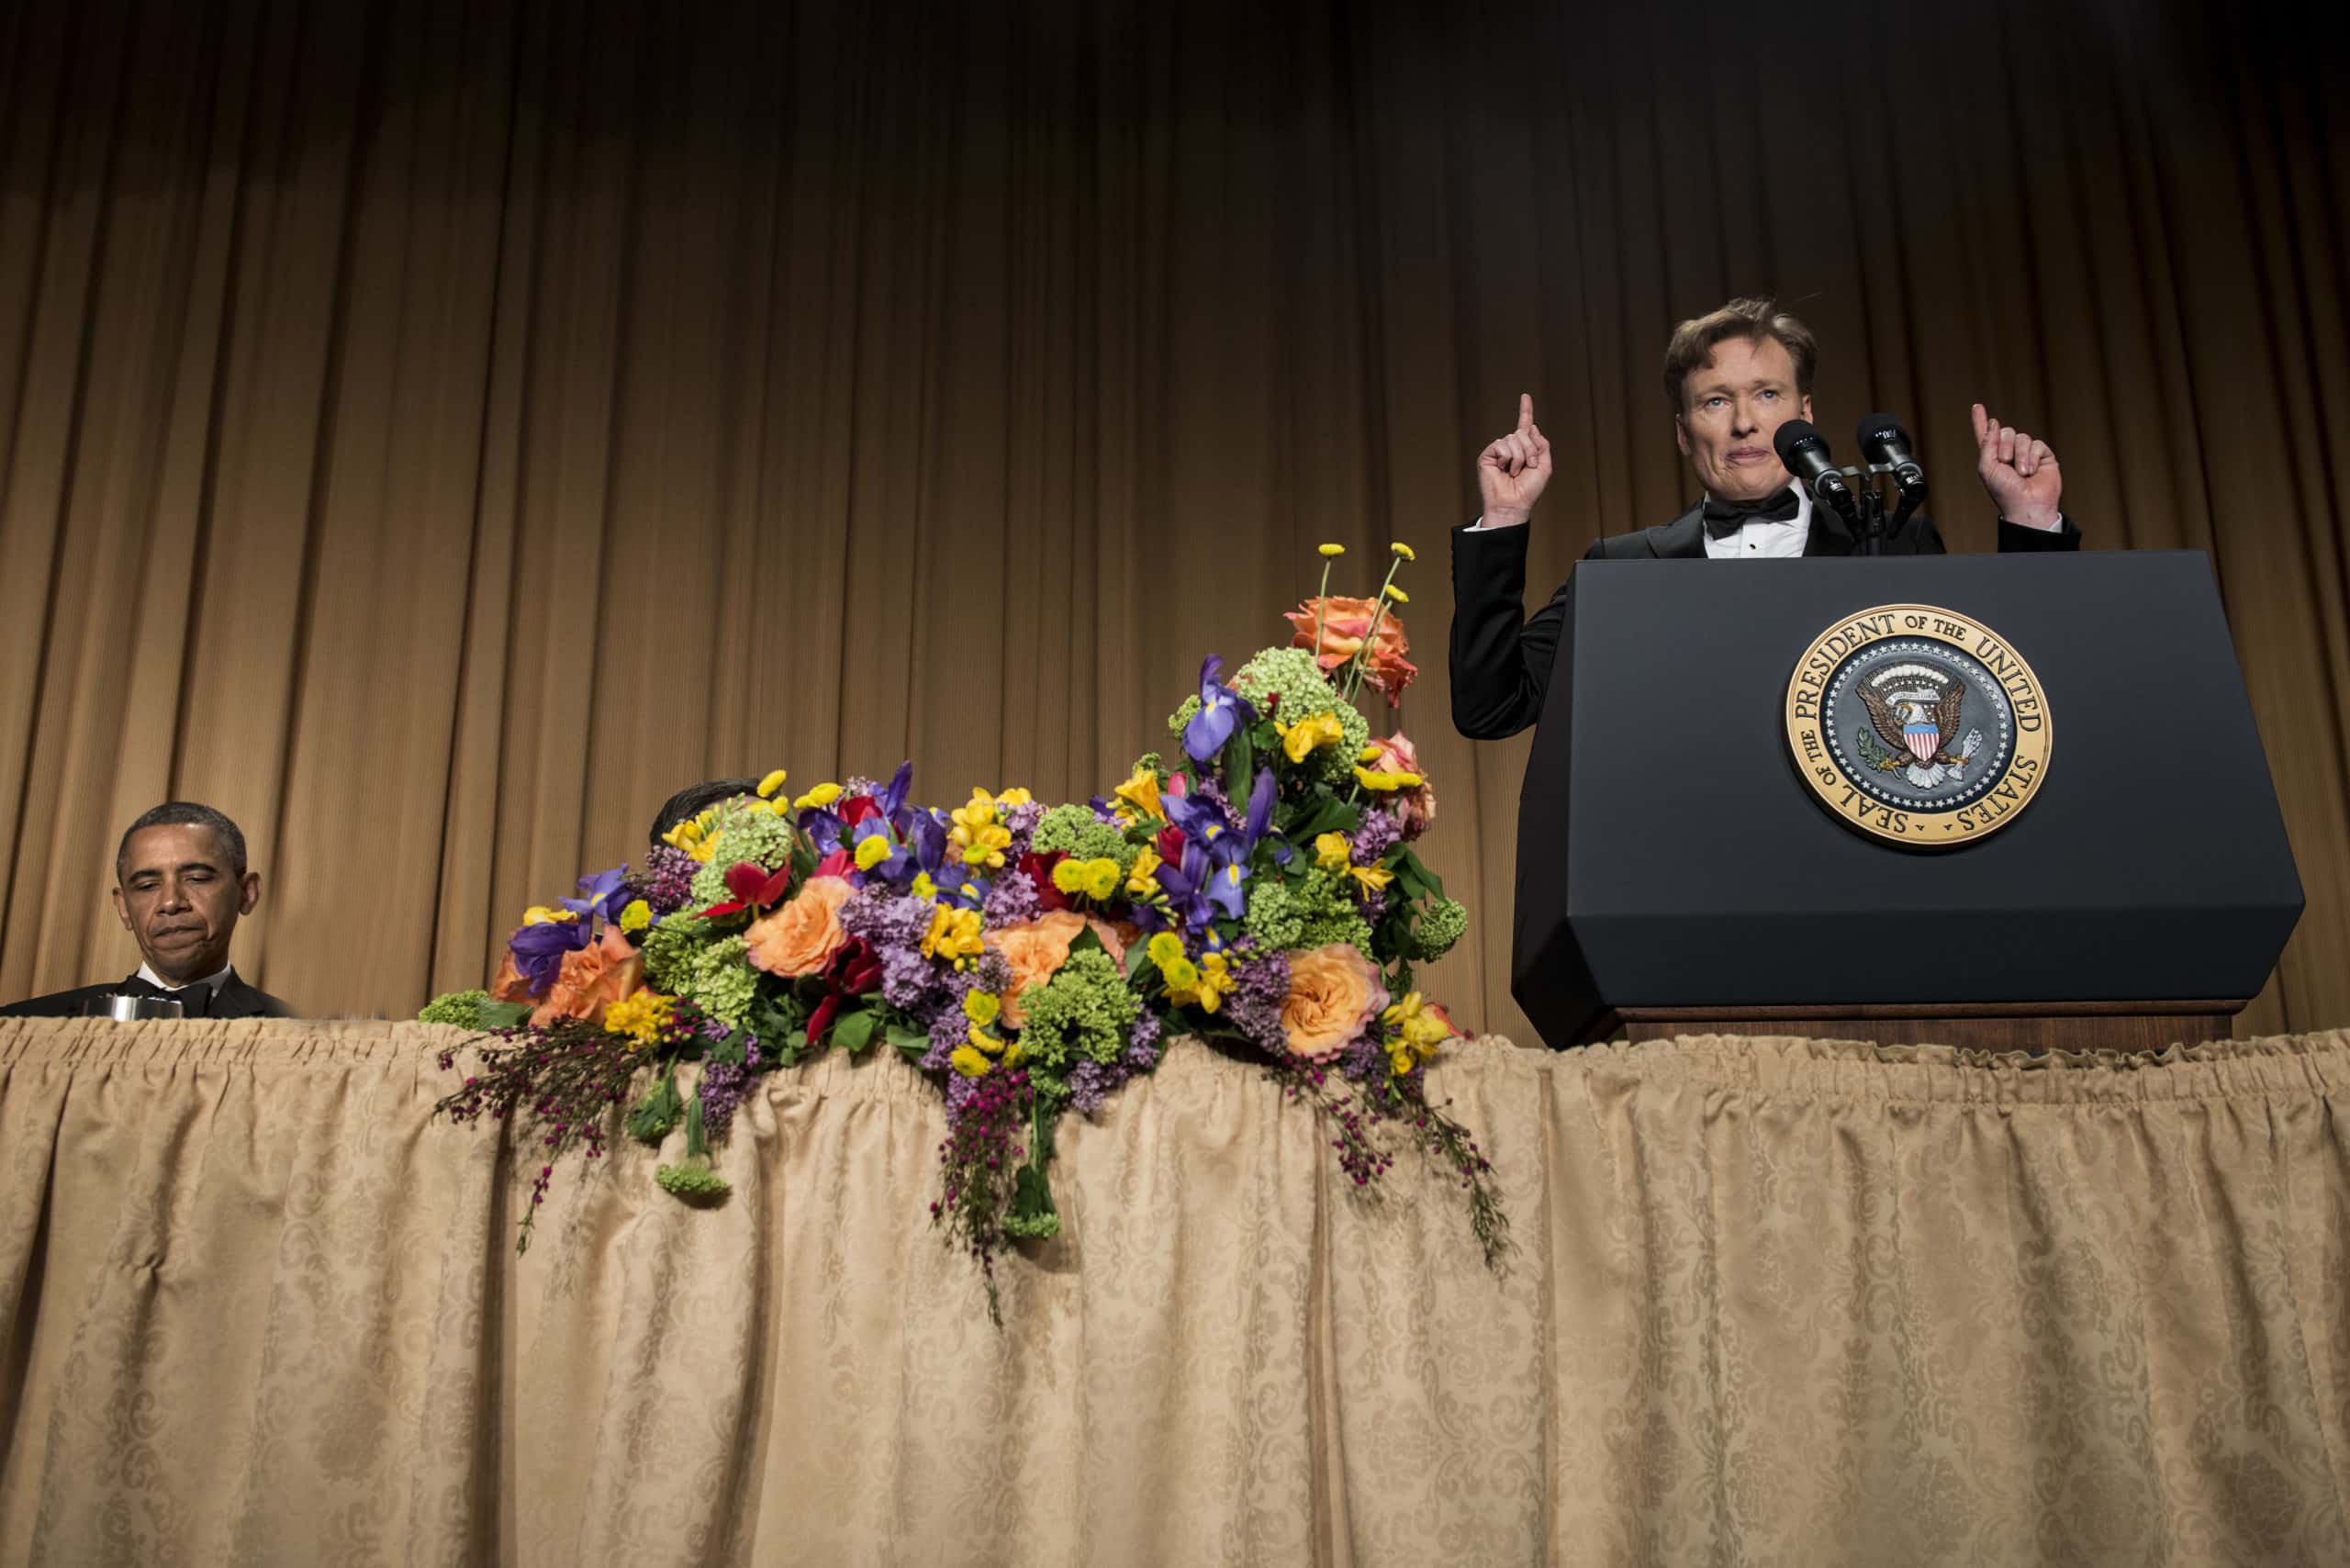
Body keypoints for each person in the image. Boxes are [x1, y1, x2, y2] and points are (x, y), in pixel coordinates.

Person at [1449, 297, 2081, 739]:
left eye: (1768, 395)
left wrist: (2030, 522)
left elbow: (2014, 705)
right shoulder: (1622, 567)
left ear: (1805, 411)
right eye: (1716, 400)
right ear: (1682, 431)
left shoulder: (1894, 544)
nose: (1745, 422)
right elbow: (1492, 708)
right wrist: (1504, 520)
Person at [0, 801, 291, 1018]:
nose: (170, 902)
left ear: (247, 893)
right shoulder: (17, 1029)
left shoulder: (309, 1040)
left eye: (197, 878)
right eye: (148, 885)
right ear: (123, 906)